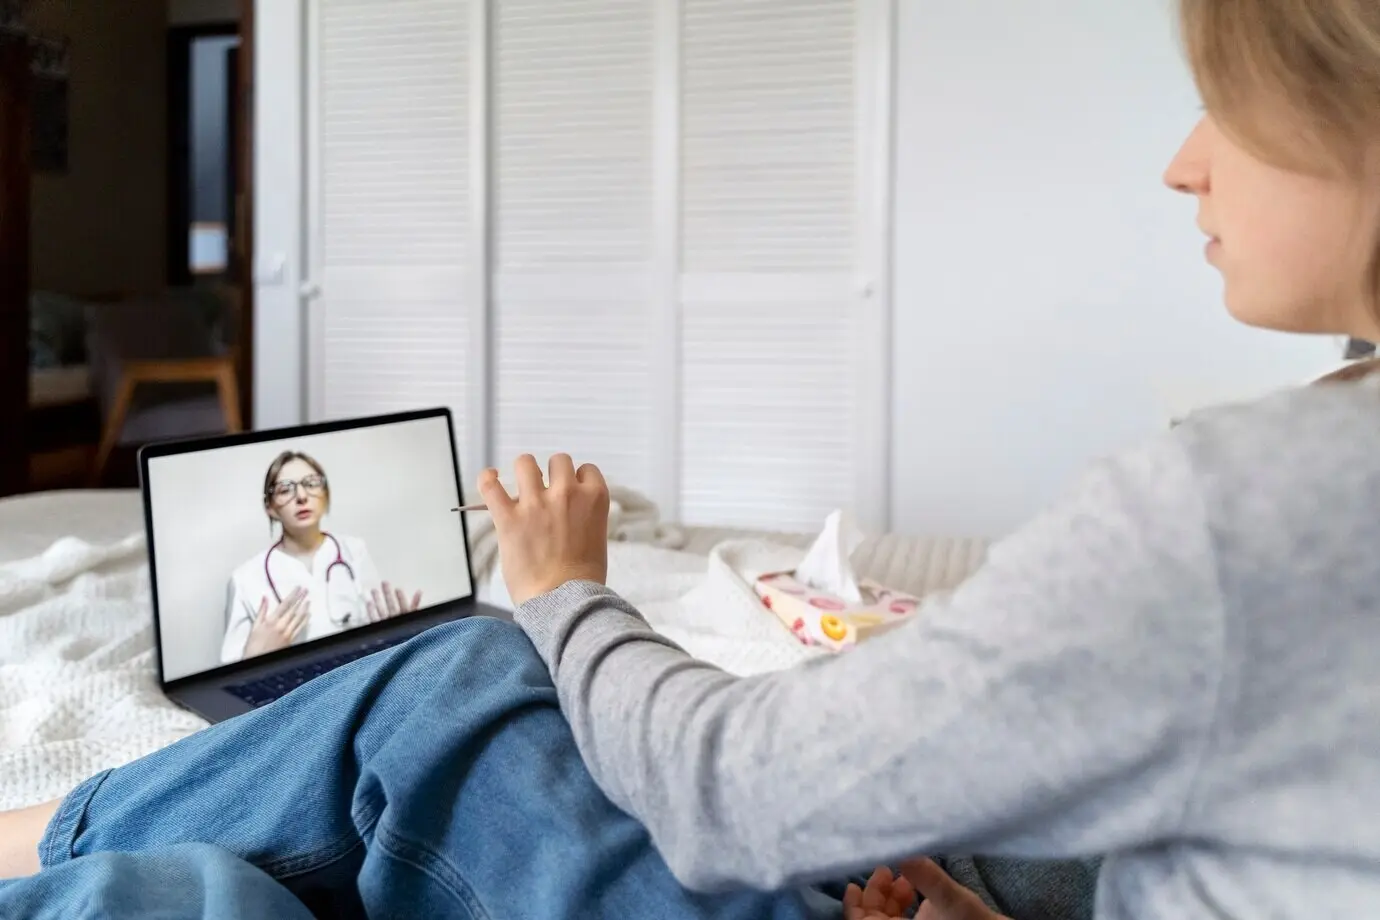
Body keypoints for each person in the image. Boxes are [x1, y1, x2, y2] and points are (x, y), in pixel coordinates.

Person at [2, 0, 1379, 916]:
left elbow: (736, 793)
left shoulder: (1249, 504)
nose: (1186, 165)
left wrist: (564, 588)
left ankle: (43, 842)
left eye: (1231, 106)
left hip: (808, 823)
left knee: (460, 678)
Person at [220, 450, 425, 664]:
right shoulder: (244, 579)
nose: (301, 496)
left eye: (311, 483)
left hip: (353, 673)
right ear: (269, 507)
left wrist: (398, 633)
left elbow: (374, 632)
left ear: (325, 495)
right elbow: (227, 676)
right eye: (284, 489)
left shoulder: (354, 551)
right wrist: (255, 655)